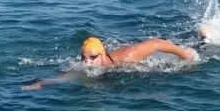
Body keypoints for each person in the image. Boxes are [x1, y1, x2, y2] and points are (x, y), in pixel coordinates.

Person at [22, 36, 199, 90]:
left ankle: (204, 42)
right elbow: (64, 78)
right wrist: (41, 83)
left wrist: (184, 54)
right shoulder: (84, 65)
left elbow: (157, 43)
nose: (88, 62)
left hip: (162, 54)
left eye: (93, 58)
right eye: (84, 58)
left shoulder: (127, 56)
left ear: (102, 54)